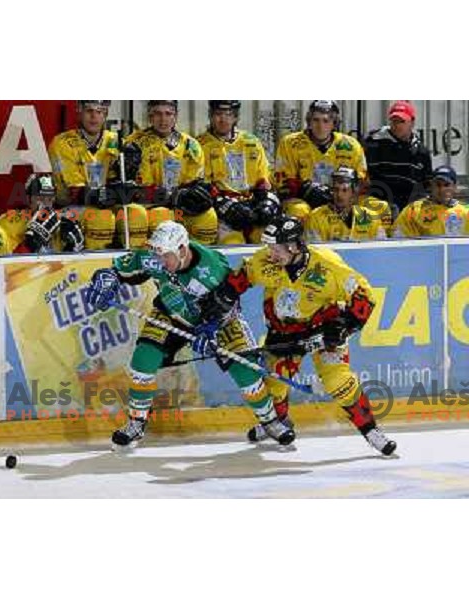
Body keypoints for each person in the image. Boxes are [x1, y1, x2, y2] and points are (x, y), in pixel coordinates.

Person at [87, 220, 295, 449]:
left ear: (183, 250)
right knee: (142, 361)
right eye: (157, 256)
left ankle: (270, 421)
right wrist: (107, 279)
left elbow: (228, 303)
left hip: (221, 320)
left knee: (246, 371)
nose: (159, 262)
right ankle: (136, 423)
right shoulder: (154, 256)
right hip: (172, 311)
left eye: (166, 256)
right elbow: (121, 270)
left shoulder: (212, 267)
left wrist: (210, 328)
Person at [200, 214, 397, 456]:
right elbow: (240, 279)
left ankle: (371, 430)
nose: (270, 253)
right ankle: (278, 423)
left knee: (338, 382)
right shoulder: (266, 260)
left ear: (293, 246)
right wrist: (224, 296)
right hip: (284, 335)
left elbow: (365, 297)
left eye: (276, 248)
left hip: (322, 330)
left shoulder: (327, 264)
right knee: (274, 384)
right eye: (269, 247)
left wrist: (344, 326)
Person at [123, 101, 217, 245]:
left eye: (168, 114)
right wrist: (169, 197)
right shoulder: (134, 143)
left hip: (181, 207)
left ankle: (197, 258)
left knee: (208, 215)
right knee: (161, 214)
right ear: (150, 116)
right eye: (158, 114)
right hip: (150, 207)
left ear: (176, 116)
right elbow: (133, 189)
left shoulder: (190, 144)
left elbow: (196, 183)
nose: (163, 119)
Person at [48, 100, 130, 249]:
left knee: (136, 215)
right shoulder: (62, 142)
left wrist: (126, 178)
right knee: (101, 219)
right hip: (71, 207)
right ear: (79, 110)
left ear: (105, 114)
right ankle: (98, 263)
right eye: (89, 111)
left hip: (105, 205)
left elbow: (119, 181)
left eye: (99, 112)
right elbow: (74, 192)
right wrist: (107, 193)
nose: (94, 117)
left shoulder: (116, 141)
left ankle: (132, 263)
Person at [197, 100, 281, 244]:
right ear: (210, 116)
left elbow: (264, 181)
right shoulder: (199, 145)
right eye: (218, 114)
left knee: (269, 241)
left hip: (252, 206)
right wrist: (222, 204)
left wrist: (265, 203)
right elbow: (201, 187)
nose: (223, 119)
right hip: (223, 210)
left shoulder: (252, 141)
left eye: (228, 114)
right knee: (232, 244)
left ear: (236, 117)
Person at [274, 101, 367, 223]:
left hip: (342, 199)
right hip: (303, 200)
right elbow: (283, 184)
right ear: (309, 121)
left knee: (378, 208)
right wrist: (306, 189)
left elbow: (362, 182)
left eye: (326, 121)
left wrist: (340, 196)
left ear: (334, 123)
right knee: (299, 211)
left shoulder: (351, 145)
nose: (320, 126)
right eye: (316, 120)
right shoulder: (290, 143)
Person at [364, 100, 432, 216]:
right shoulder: (372, 142)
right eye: (394, 121)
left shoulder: (421, 152)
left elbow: (427, 186)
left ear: (412, 122)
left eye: (401, 121)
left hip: (407, 213)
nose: (397, 125)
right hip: (374, 209)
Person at [0, 173, 84, 254]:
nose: (46, 202)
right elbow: (7, 264)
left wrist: (72, 249)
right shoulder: (8, 221)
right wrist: (32, 242)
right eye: (40, 197)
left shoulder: (63, 221)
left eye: (50, 197)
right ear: (28, 198)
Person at [305, 166, 391, 241]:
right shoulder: (316, 217)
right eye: (336, 190)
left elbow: (381, 249)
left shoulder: (371, 217)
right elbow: (315, 252)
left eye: (345, 190)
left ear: (354, 192)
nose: (339, 195)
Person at [392, 165, 469, 237]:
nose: (442, 190)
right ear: (431, 186)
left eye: (446, 185)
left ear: (455, 187)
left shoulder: (466, 212)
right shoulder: (413, 210)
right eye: (438, 185)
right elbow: (399, 240)